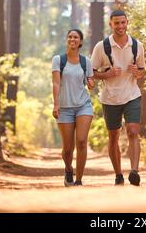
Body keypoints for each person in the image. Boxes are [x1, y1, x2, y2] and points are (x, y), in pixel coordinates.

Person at [91, 10, 145, 186]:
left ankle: (134, 172)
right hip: (110, 98)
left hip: (131, 95)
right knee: (113, 136)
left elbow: (142, 71)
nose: (120, 26)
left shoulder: (137, 45)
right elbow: (90, 73)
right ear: (111, 24)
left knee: (133, 131)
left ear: (127, 22)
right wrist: (107, 74)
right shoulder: (101, 47)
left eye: (123, 22)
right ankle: (118, 174)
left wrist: (137, 72)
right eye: (117, 23)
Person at [52, 29, 94, 186]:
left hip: (83, 105)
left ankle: (78, 180)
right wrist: (56, 104)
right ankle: (69, 169)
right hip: (65, 108)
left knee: (82, 141)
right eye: (69, 36)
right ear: (67, 40)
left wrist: (91, 83)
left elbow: (90, 83)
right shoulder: (58, 60)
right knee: (68, 149)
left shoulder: (86, 62)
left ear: (80, 42)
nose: (72, 39)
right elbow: (56, 83)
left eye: (75, 37)